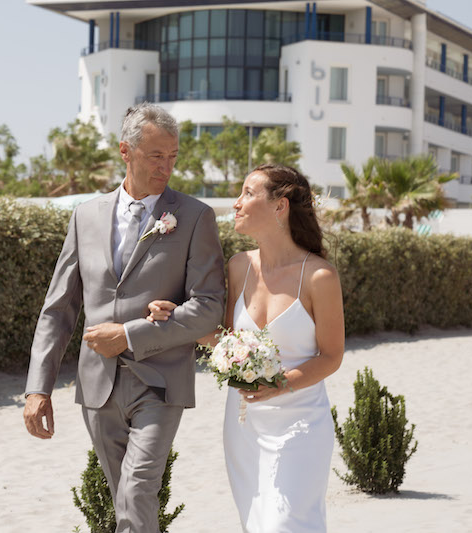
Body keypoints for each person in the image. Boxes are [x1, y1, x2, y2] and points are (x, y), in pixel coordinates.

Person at [23, 103, 226, 533]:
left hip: (161, 380)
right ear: (125, 151)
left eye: (172, 157)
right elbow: (59, 308)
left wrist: (131, 335)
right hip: (98, 386)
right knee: (126, 502)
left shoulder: (194, 217)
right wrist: (38, 388)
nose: (166, 167)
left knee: (136, 492)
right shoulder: (85, 216)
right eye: (156, 156)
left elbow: (209, 305)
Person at [147, 164, 344, 532]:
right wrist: (177, 318)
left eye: (248, 193)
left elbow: (331, 356)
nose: (236, 203)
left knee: (285, 524)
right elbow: (223, 338)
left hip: (301, 425)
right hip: (244, 426)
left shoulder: (319, 276)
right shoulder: (238, 267)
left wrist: (282, 383)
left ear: (279, 206)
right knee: (256, 523)